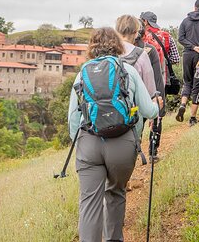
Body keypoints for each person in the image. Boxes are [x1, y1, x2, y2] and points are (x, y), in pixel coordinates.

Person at [68, 27, 163, 242]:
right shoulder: (127, 70)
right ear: (118, 45)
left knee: (89, 201)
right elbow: (148, 111)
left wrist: (80, 145)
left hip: (89, 143)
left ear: (92, 47)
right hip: (122, 143)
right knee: (116, 192)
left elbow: (73, 119)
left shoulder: (82, 72)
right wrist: (158, 106)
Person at [116, 14, 165, 162]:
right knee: (131, 143)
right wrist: (155, 112)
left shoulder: (109, 52)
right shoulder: (143, 54)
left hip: (110, 108)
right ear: (136, 32)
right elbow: (152, 88)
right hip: (134, 109)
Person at [140, 11, 180, 86]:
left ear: (145, 21)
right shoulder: (167, 36)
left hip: (144, 76)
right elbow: (176, 59)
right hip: (162, 77)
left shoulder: (141, 37)